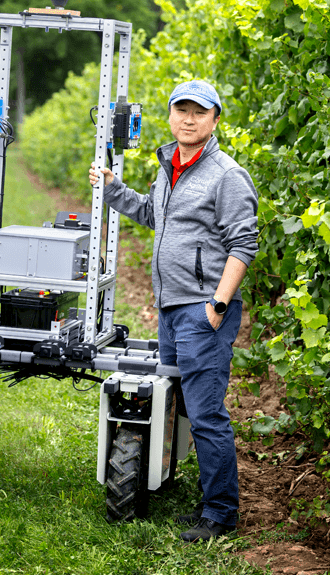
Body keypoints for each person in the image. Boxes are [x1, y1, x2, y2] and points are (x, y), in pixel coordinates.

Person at [89, 80, 258, 543]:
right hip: (170, 307)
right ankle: (194, 494)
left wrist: (217, 306)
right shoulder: (168, 167)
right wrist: (112, 188)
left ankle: (221, 513)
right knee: (179, 405)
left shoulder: (226, 174)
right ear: (169, 116)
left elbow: (244, 245)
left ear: (215, 119)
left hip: (202, 311)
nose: (189, 118)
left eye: (199, 112)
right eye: (181, 110)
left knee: (205, 413)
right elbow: (152, 215)